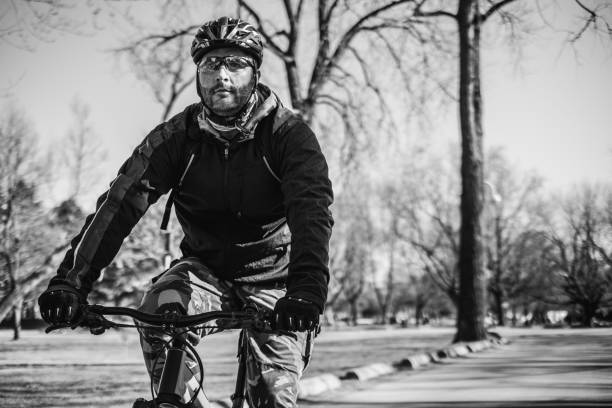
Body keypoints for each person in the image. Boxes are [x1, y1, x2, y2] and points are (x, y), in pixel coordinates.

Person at [37, 16, 334, 408]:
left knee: (272, 398)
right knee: (158, 310)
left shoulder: (288, 135)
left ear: (255, 73)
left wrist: (307, 291)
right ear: (198, 74)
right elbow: (119, 206)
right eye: (211, 65)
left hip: (277, 282)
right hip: (205, 271)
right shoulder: (176, 137)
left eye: (234, 64)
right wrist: (71, 284)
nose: (222, 76)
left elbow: (311, 212)